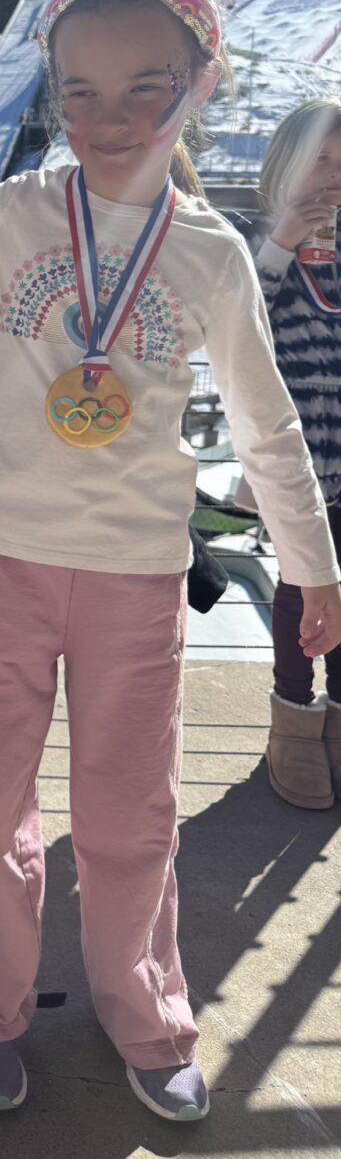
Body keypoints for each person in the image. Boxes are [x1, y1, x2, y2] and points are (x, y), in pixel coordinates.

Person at [0, 0, 341, 1121]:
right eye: (82, 93)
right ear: (54, 95)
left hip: (137, 574)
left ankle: (145, 1010)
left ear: (199, 81)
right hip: (2, 554)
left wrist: (314, 568)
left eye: (145, 88)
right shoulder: (4, 215)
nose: (110, 120)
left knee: (130, 809)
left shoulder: (209, 254)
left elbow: (266, 427)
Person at [253, 97, 341, 806]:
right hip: (297, 466)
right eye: (319, 158)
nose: (331, 177)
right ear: (285, 165)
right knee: (297, 586)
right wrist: (283, 236)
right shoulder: (252, 244)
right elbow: (240, 321)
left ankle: (337, 718)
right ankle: (292, 719)